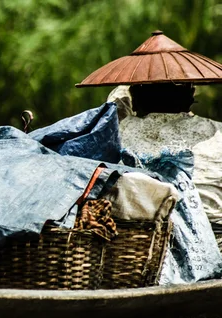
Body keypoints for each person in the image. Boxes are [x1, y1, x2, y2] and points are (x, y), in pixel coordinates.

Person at [78, 31, 222, 249]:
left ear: (136, 98)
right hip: (215, 241)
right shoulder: (217, 132)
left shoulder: (115, 134)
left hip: (138, 244)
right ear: (190, 96)